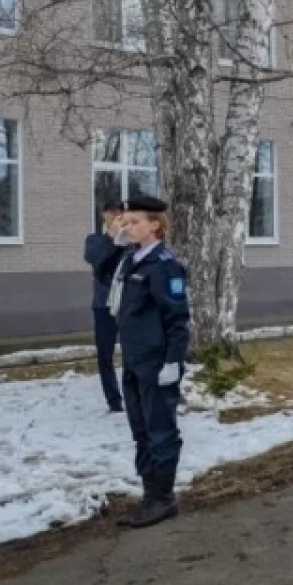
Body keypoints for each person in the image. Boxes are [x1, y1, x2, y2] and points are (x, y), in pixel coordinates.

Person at [110, 196, 191, 529]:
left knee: (160, 431)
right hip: (134, 359)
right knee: (140, 429)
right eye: (126, 222)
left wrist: (173, 361)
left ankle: (162, 498)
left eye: (134, 222)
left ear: (155, 225)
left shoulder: (164, 265)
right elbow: (102, 276)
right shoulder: (131, 260)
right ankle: (150, 493)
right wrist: (115, 246)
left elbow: (177, 319)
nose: (127, 227)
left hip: (157, 363)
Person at [84, 201, 128, 413]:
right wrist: (111, 237)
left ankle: (133, 393)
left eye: (121, 212)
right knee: (105, 354)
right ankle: (113, 399)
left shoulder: (129, 241)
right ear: (104, 214)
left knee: (133, 351)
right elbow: (94, 259)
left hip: (127, 304)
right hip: (104, 305)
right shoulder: (95, 240)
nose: (118, 215)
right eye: (113, 212)